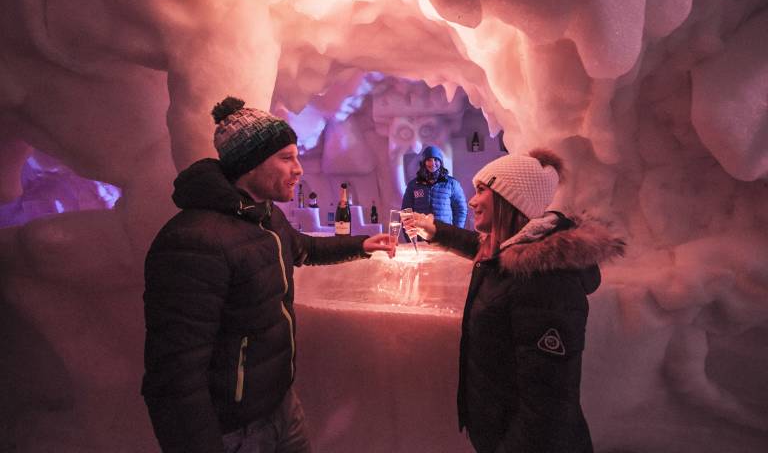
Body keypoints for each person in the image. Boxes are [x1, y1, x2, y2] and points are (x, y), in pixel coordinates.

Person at [141, 96, 394, 453]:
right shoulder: (193, 241)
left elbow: (303, 248)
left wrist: (362, 245)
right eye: (286, 158)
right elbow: (175, 375)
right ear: (251, 165)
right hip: (234, 431)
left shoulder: (265, 216)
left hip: (281, 405)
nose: (299, 169)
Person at [403, 149, 624, 453]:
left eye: (481, 191)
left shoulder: (546, 281)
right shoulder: (512, 255)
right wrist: (436, 231)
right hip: (499, 432)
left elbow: (546, 407)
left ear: (509, 201)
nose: (471, 200)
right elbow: (479, 246)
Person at [402, 145, 468, 228]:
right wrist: (411, 236)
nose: (433, 163)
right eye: (429, 160)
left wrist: (456, 232)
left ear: (440, 162)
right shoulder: (413, 185)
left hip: (444, 235)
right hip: (421, 235)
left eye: (436, 159)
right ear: (423, 163)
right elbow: (406, 212)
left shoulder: (452, 184)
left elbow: (461, 210)